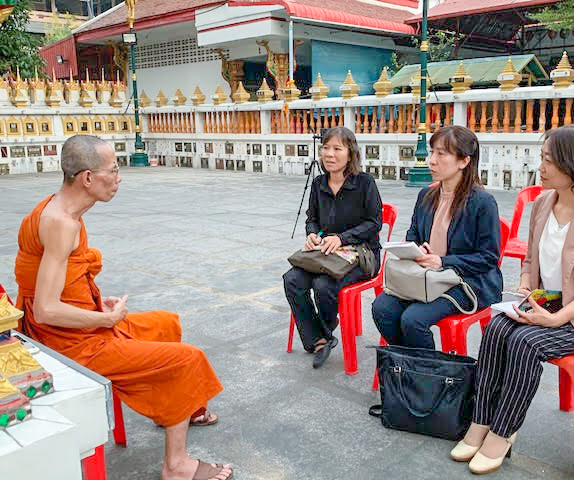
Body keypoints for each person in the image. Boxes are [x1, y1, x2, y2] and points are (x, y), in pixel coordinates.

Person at [14, 135, 232, 480]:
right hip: (69, 344)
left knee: (166, 323)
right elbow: (45, 310)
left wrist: (96, 301)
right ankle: (176, 466)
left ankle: (177, 410)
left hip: (77, 326)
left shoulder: (63, 209)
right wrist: (106, 317)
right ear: (87, 178)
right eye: (113, 171)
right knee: (187, 359)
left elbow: (59, 285)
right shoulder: (60, 222)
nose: (119, 178)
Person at [452, 124, 574, 475]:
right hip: (551, 300)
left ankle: (504, 432)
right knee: (497, 327)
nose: (541, 167)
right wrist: (527, 286)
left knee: (525, 342)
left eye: (548, 160)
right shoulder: (544, 202)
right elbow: (530, 259)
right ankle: (481, 421)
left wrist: (556, 318)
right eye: (542, 158)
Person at [372, 125, 502, 350]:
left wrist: (443, 261)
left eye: (441, 154)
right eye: (432, 152)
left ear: (464, 161)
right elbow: (413, 234)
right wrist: (418, 250)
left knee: (413, 320)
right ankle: (411, 366)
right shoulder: (427, 195)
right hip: (427, 276)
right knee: (382, 308)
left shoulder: (482, 203)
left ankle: (428, 378)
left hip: (466, 281)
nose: (432, 160)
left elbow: (488, 258)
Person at [283, 127, 382, 369]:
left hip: (361, 254)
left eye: (337, 148)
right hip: (326, 253)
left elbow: (374, 223)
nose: (330, 154)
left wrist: (342, 237)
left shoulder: (364, 183)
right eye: (326, 148)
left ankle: (325, 333)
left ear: (351, 154)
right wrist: (312, 235)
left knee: (323, 285)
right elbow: (312, 219)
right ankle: (319, 339)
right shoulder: (319, 184)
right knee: (292, 279)